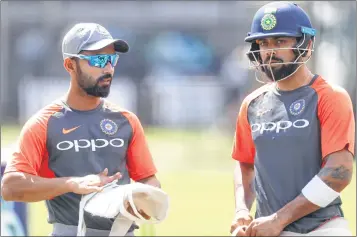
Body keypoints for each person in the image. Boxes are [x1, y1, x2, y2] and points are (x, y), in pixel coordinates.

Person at [1, 23, 160, 236]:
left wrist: (146, 197)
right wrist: (72, 184)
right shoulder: (44, 123)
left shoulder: (127, 121)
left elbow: (148, 179)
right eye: (98, 59)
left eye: (112, 59)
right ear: (70, 65)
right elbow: (11, 187)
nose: (108, 68)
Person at [230, 2, 355, 236]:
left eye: (280, 42)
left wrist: (280, 219)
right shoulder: (252, 104)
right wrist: (242, 210)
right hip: (267, 228)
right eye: (264, 43)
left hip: (322, 229)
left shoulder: (330, 97)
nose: (270, 51)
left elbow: (340, 172)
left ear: (305, 45)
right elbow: (245, 164)